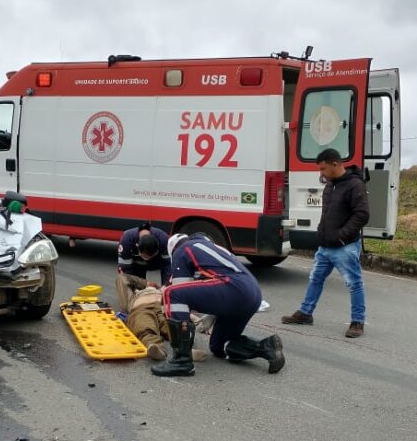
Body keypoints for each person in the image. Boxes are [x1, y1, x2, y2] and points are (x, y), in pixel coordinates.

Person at [152, 232, 284, 377]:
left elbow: (180, 292)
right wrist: (212, 313)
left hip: (234, 287)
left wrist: (181, 326)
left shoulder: (182, 251)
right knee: (219, 346)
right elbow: (213, 286)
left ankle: (181, 361)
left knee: (171, 294)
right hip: (252, 292)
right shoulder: (209, 249)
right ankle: (267, 347)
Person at [281, 148, 370, 338]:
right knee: (315, 279)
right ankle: (305, 313)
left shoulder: (355, 185)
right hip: (325, 246)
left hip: (344, 246)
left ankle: (357, 322)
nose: (320, 173)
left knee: (354, 284)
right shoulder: (331, 184)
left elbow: (362, 214)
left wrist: (342, 236)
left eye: (323, 169)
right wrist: (322, 235)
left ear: (335, 164)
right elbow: (327, 213)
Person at [115, 274, 208, 362]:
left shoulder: (165, 290)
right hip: (142, 307)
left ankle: (187, 349)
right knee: (144, 326)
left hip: (165, 306)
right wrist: (145, 283)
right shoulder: (134, 294)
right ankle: (155, 347)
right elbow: (122, 278)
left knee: (175, 324)